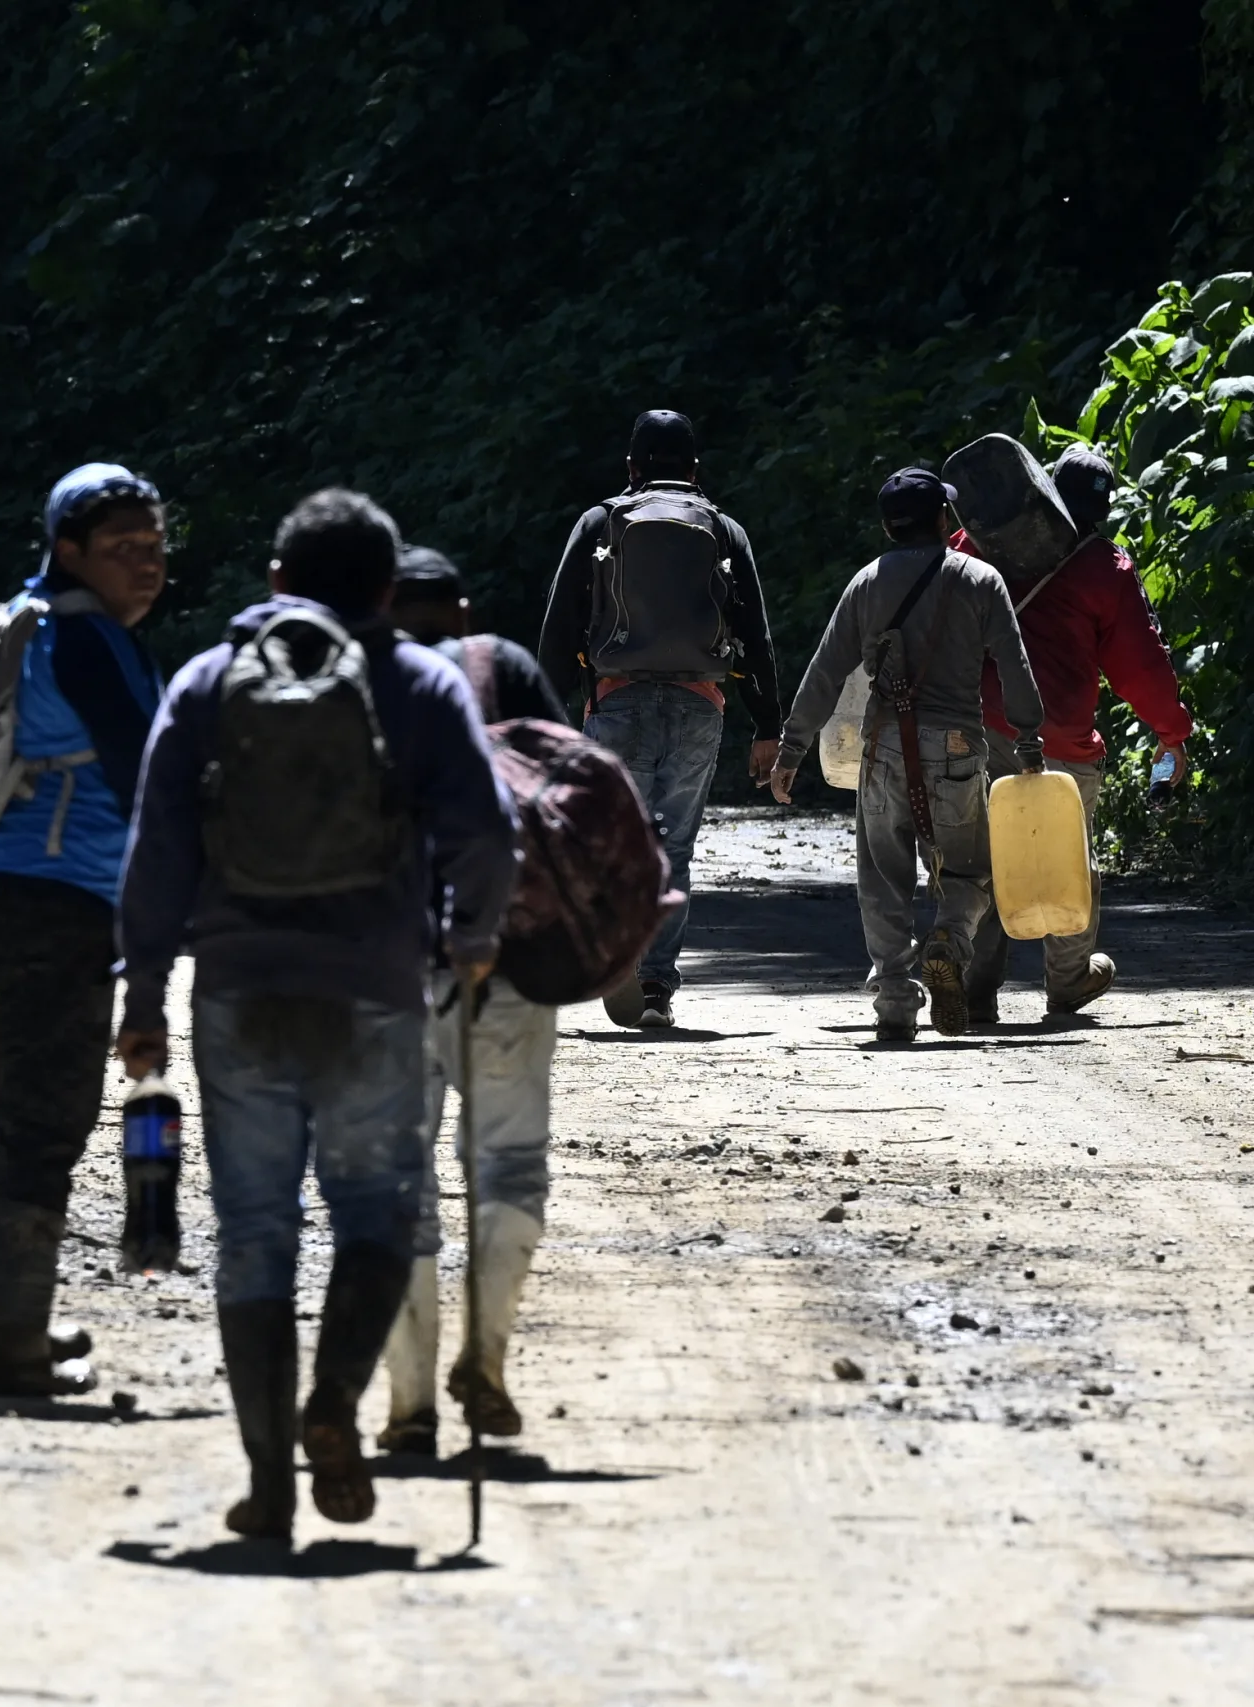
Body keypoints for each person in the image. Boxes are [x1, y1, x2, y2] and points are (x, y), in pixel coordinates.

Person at [117, 492, 516, 1542]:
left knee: (254, 1230)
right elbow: (485, 834)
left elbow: (156, 853)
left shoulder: (209, 682)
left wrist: (144, 995)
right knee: (376, 1212)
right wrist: (471, 936)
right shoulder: (421, 683)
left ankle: (268, 1485)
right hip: (374, 991)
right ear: (387, 589)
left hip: (237, 993)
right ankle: (334, 1399)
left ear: (277, 581)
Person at [0, 463, 167, 1396]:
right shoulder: (88, 638)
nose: (146, 564)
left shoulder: (18, 624)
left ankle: (3, 1327)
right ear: (68, 550)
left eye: (154, 546)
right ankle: (14, 1348)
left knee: (16, 1109)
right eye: (121, 548)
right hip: (49, 907)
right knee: (45, 1120)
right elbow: (149, 778)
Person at [378, 545, 567, 1457]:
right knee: (510, 1168)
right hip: (506, 960)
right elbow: (573, 794)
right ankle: (484, 1359)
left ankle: (409, 1402)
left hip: (380, 970)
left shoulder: (347, 682)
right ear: (460, 612)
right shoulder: (504, 667)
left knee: (393, 1184)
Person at [769, 470, 1045, 1041]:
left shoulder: (866, 583)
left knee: (882, 875)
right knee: (972, 867)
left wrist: (792, 748)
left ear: (888, 526)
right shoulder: (980, 579)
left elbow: (826, 671)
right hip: (957, 747)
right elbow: (1014, 664)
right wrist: (1029, 740)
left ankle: (895, 999)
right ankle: (950, 939)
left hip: (885, 746)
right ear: (943, 518)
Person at [538, 409, 783, 1027]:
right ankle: (654, 988)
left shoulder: (600, 521)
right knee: (673, 848)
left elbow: (561, 624)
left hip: (615, 699)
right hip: (700, 704)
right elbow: (754, 634)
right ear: (695, 470)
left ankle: (616, 947)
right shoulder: (724, 529)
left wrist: (542, 721)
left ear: (631, 467)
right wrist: (768, 726)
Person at [964, 445, 1195, 1021]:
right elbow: (1142, 663)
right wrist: (1171, 733)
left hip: (977, 723)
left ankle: (974, 984)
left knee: (984, 856)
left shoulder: (982, 543)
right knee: (1069, 856)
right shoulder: (1106, 568)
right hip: (1061, 738)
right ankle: (1068, 979)